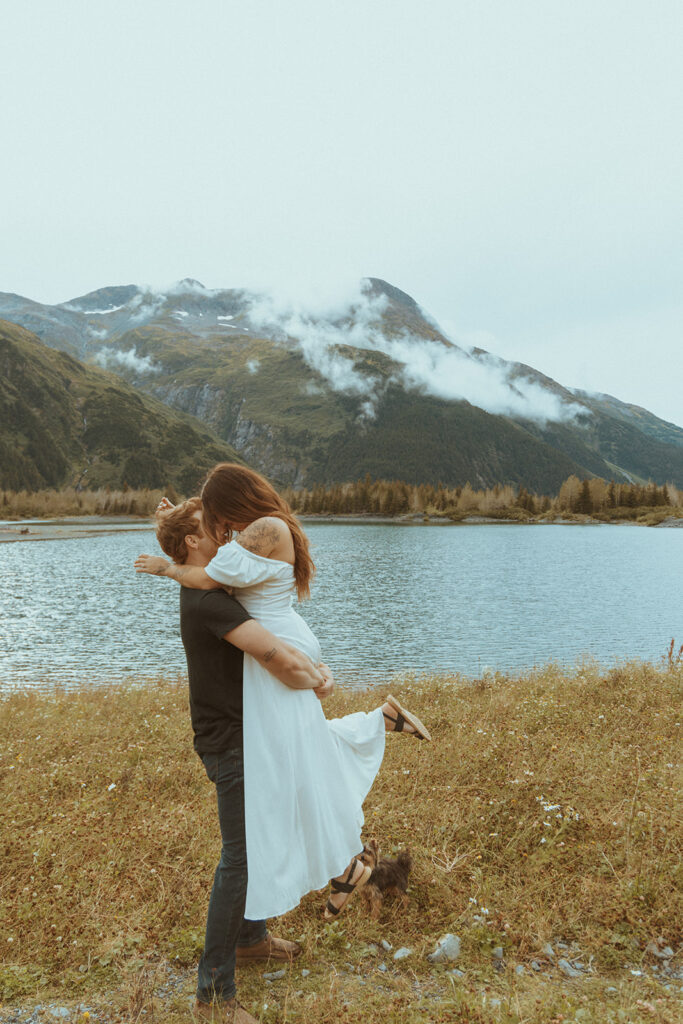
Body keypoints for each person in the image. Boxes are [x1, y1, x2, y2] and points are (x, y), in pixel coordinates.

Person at [135, 467, 430, 944]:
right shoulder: (253, 540)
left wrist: (169, 561)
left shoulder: (254, 538)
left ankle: (345, 864)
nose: (218, 529)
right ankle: (349, 854)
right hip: (278, 645)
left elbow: (207, 573)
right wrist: (170, 526)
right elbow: (208, 567)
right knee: (304, 752)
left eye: (214, 514)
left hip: (277, 645)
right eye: (207, 522)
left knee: (300, 760)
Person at [151, 497, 329, 1023]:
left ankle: (250, 939)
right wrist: (312, 677)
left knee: (262, 831)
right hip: (231, 740)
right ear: (193, 543)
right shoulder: (212, 603)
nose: (228, 538)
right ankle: (213, 995)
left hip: (245, 733)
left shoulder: (215, 587)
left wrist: (168, 515)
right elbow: (271, 653)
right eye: (216, 531)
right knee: (241, 856)